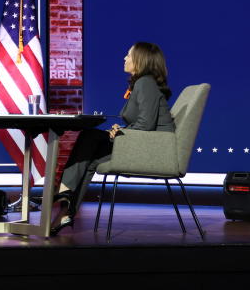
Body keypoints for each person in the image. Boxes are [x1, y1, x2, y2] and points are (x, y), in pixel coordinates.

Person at [51, 42, 176, 235]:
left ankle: (63, 195)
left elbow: (146, 125)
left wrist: (121, 133)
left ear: (141, 60)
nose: (124, 58)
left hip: (154, 150)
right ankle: (66, 209)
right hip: (143, 143)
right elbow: (143, 123)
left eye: (128, 55)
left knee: (90, 136)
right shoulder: (143, 84)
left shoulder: (146, 83)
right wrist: (121, 130)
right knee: (90, 155)